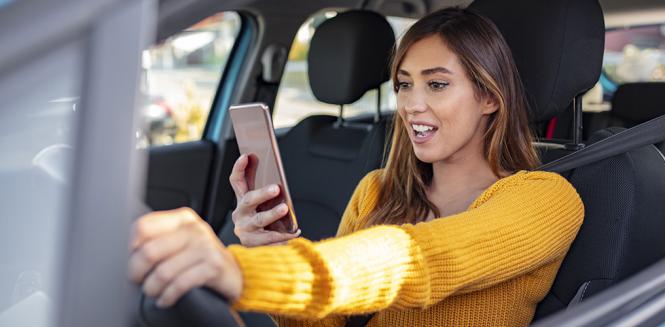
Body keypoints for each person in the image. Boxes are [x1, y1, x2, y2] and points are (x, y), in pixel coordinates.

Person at [129, 7, 584, 326]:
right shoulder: (377, 190)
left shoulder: (545, 198)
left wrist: (239, 271)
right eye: (404, 86)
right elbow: (325, 324)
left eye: (437, 84)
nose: (412, 105)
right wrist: (269, 249)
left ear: (489, 97)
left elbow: (418, 261)